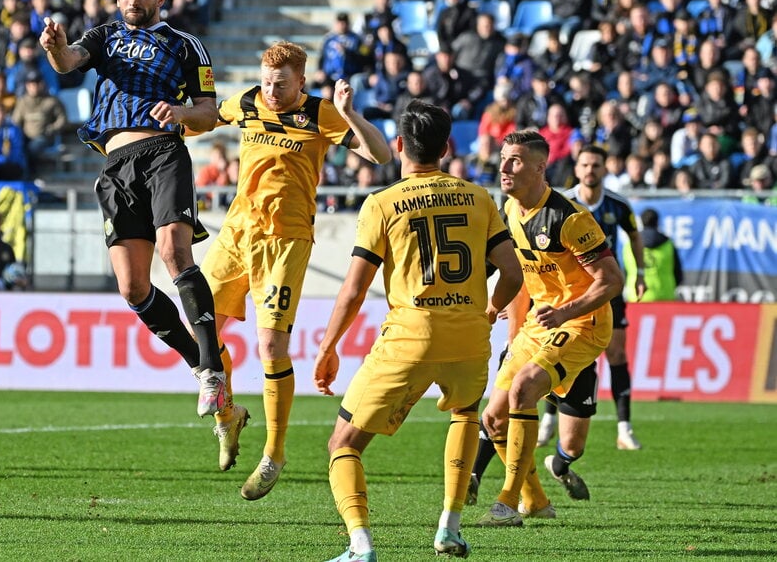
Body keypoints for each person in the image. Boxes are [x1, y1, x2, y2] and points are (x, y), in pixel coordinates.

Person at [313, 100, 522, 561]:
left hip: (410, 335)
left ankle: (360, 545)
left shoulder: (382, 203)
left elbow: (353, 288)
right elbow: (512, 273)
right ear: (447, 148)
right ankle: (449, 526)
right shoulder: (480, 197)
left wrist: (328, 346)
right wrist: (488, 310)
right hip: (469, 335)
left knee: (343, 444)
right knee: (466, 413)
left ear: (400, 145)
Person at [199, 41, 390, 499]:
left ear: (301, 82)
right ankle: (228, 415)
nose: (271, 90)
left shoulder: (322, 114)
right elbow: (207, 117)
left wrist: (349, 113)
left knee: (270, 346)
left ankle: (274, 453)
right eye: (267, 81)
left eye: (281, 84)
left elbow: (381, 155)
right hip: (237, 232)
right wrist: (171, 116)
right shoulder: (247, 102)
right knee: (202, 332)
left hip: (285, 241)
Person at [39, 0, 227, 418]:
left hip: (163, 151)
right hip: (116, 165)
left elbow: (208, 114)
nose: (131, 0)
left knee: (174, 251)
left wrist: (181, 110)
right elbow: (69, 61)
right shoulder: (105, 36)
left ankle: (216, 369)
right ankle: (200, 365)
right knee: (132, 286)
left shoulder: (185, 45)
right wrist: (54, 49)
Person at [476, 130, 623, 527]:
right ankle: (536, 500)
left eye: (516, 160)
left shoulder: (569, 218)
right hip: (540, 322)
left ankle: (506, 501)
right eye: (504, 158)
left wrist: (565, 311)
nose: (504, 167)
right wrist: (495, 308)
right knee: (492, 418)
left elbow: (611, 280)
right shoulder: (509, 209)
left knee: (524, 389)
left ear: (540, 167)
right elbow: (520, 273)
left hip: (582, 323)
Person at [533, 144, 647, 452]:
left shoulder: (618, 205)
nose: (590, 170)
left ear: (604, 169)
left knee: (618, 355)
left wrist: (640, 273)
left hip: (607, 291)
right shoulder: (562, 204)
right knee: (558, 357)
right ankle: (548, 420)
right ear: (577, 168)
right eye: (585, 165)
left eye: (596, 165)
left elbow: (635, 236)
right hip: (569, 295)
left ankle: (624, 427)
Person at [623, 208, 681, 302]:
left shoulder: (630, 244)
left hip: (637, 296)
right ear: (657, 222)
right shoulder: (668, 244)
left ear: (640, 222)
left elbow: (625, 271)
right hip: (665, 297)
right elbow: (678, 273)